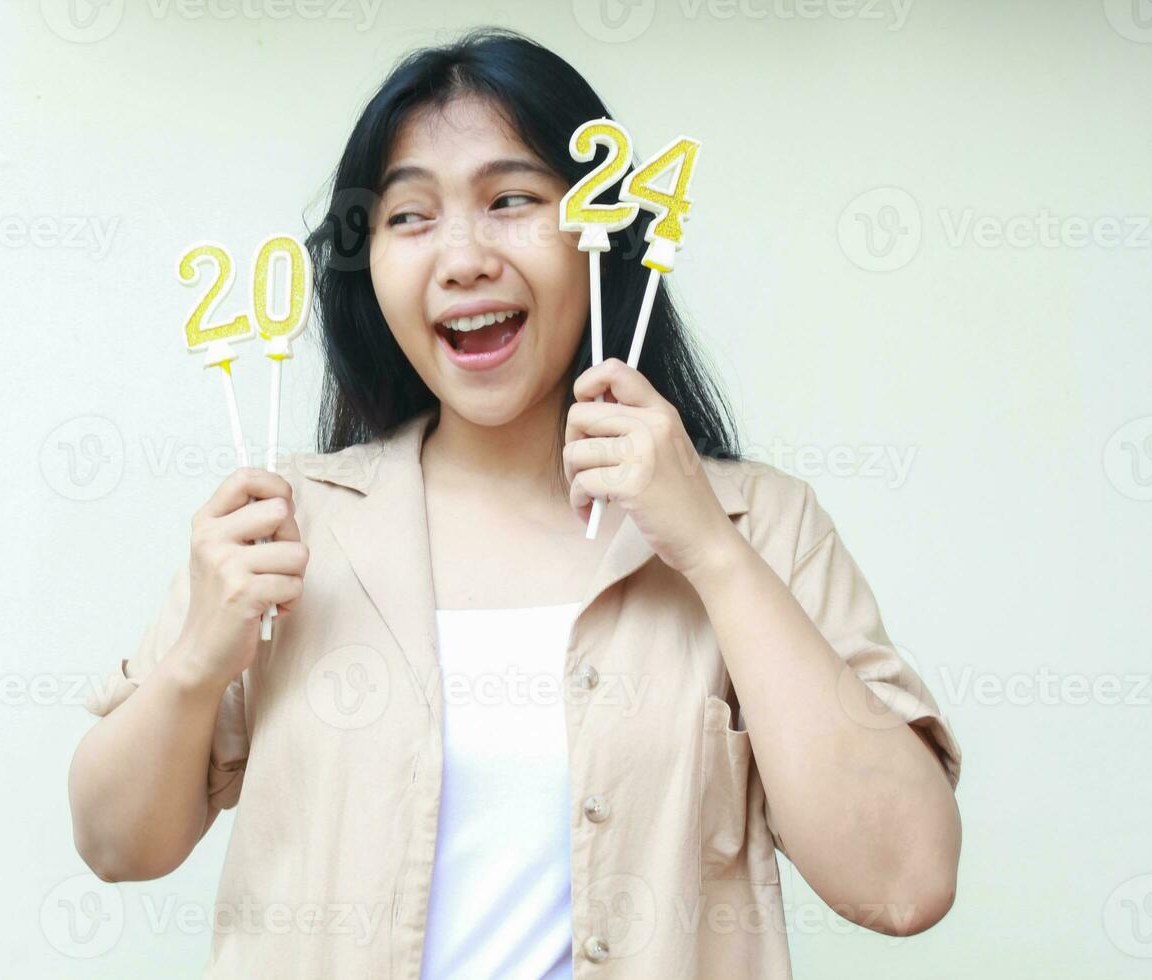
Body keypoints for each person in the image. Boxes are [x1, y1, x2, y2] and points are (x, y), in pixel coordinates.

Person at [67, 27, 963, 979]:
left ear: (598, 234)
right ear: (365, 266)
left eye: (512, 200)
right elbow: (118, 845)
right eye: (409, 216)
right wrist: (200, 661)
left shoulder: (759, 525)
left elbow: (903, 881)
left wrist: (708, 549)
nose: (462, 258)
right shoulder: (288, 525)